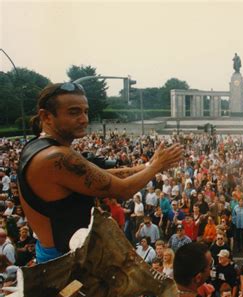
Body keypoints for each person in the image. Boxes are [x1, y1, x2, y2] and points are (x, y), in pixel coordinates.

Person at [18, 83, 183, 263]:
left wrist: (146, 166)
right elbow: (122, 190)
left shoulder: (39, 147)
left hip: (56, 252)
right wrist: (155, 167)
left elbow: (101, 176)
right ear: (46, 116)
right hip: (64, 261)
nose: (83, 119)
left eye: (85, 111)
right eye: (74, 112)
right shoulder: (56, 157)